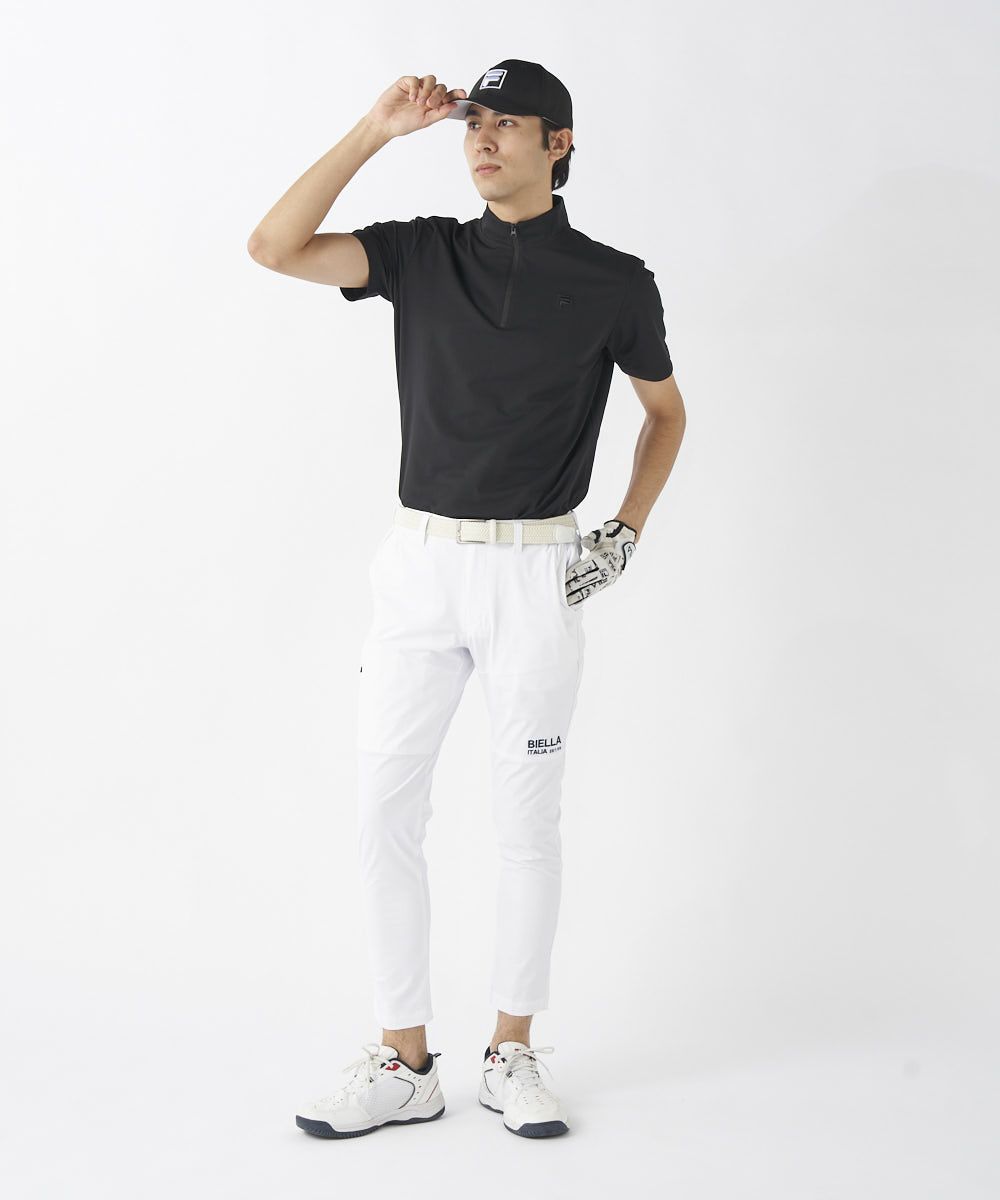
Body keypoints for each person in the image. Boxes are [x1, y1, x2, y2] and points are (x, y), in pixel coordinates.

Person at [247, 59, 686, 1140]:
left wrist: (624, 531)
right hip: (420, 569)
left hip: (536, 572)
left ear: (559, 144)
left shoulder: (614, 281)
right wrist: (374, 129)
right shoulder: (422, 252)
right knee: (383, 809)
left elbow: (666, 413)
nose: (482, 140)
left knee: (527, 821)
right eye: (472, 124)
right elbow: (273, 247)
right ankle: (404, 1064)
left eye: (507, 125)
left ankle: (511, 1051)